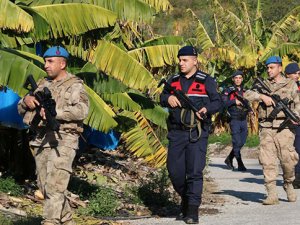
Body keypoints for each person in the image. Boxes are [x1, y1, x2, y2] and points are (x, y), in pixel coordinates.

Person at [18, 46, 89, 225]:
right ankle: (66, 221)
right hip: (41, 139)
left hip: (64, 139)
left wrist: (55, 112)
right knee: (44, 186)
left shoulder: (75, 85)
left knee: (55, 186)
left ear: (62, 63)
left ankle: (50, 221)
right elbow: (21, 107)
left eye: (50, 61)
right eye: (45, 61)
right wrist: (26, 101)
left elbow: (81, 111)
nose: (46, 65)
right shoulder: (41, 84)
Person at [160, 46, 221, 224]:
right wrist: (167, 99)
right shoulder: (173, 80)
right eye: (179, 60)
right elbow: (162, 97)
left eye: (185, 60)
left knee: (194, 172)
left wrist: (207, 108)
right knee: (174, 171)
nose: (181, 63)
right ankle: (186, 200)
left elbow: (218, 102)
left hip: (197, 133)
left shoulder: (206, 80)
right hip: (176, 133)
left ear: (195, 60)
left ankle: (192, 211)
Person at [244, 56, 300, 205]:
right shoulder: (262, 85)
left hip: (285, 127)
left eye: (272, 67)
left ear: (280, 68)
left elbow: (298, 103)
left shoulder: (290, 84)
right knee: (267, 161)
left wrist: (296, 116)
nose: (269, 70)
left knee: (288, 161)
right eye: (267, 68)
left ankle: (288, 183)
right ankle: (272, 194)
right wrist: (261, 96)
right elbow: (246, 94)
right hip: (267, 127)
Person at [222, 70, 251, 171]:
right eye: (236, 78)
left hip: (243, 119)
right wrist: (234, 101)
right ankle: (240, 163)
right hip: (234, 119)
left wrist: (250, 110)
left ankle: (229, 158)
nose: (238, 80)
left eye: (240, 78)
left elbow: (248, 103)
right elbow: (223, 103)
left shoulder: (245, 91)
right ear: (233, 79)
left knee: (242, 142)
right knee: (236, 141)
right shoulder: (228, 90)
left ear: (242, 79)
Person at [284, 62, 300, 188]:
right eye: (294, 73)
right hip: (287, 124)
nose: (297, 76)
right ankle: (292, 177)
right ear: (287, 75)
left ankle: (297, 178)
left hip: (298, 123)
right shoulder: (282, 87)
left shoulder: (298, 86)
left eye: (298, 73)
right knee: (290, 153)